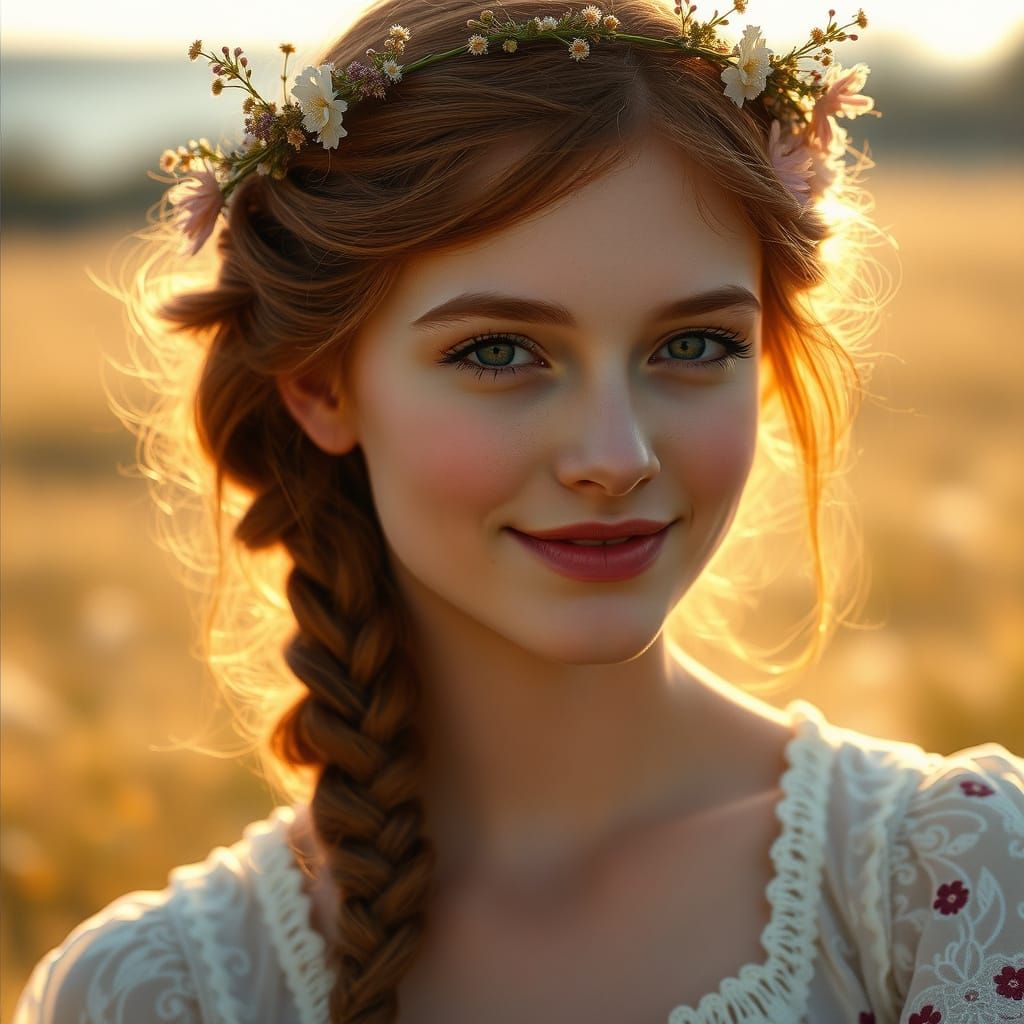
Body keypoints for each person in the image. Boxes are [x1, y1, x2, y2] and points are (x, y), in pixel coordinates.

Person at [14, 0, 1023, 1022]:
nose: (615, 457)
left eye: (693, 345)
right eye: (497, 352)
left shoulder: (955, 890)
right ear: (321, 384)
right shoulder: (157, 995)